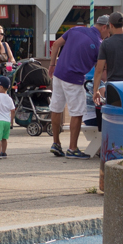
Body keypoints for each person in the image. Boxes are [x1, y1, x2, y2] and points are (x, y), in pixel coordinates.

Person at [47, 20, 104, 158]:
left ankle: (56, 142)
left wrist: (52, 64)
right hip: (75, 78)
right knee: (77, 112)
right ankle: (72, 148)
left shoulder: (75, 30)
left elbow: (55, 45)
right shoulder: (99, 43)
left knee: (56, 108)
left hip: (59, 74)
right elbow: (99, 70)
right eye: (108, 31)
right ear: (104, 27)